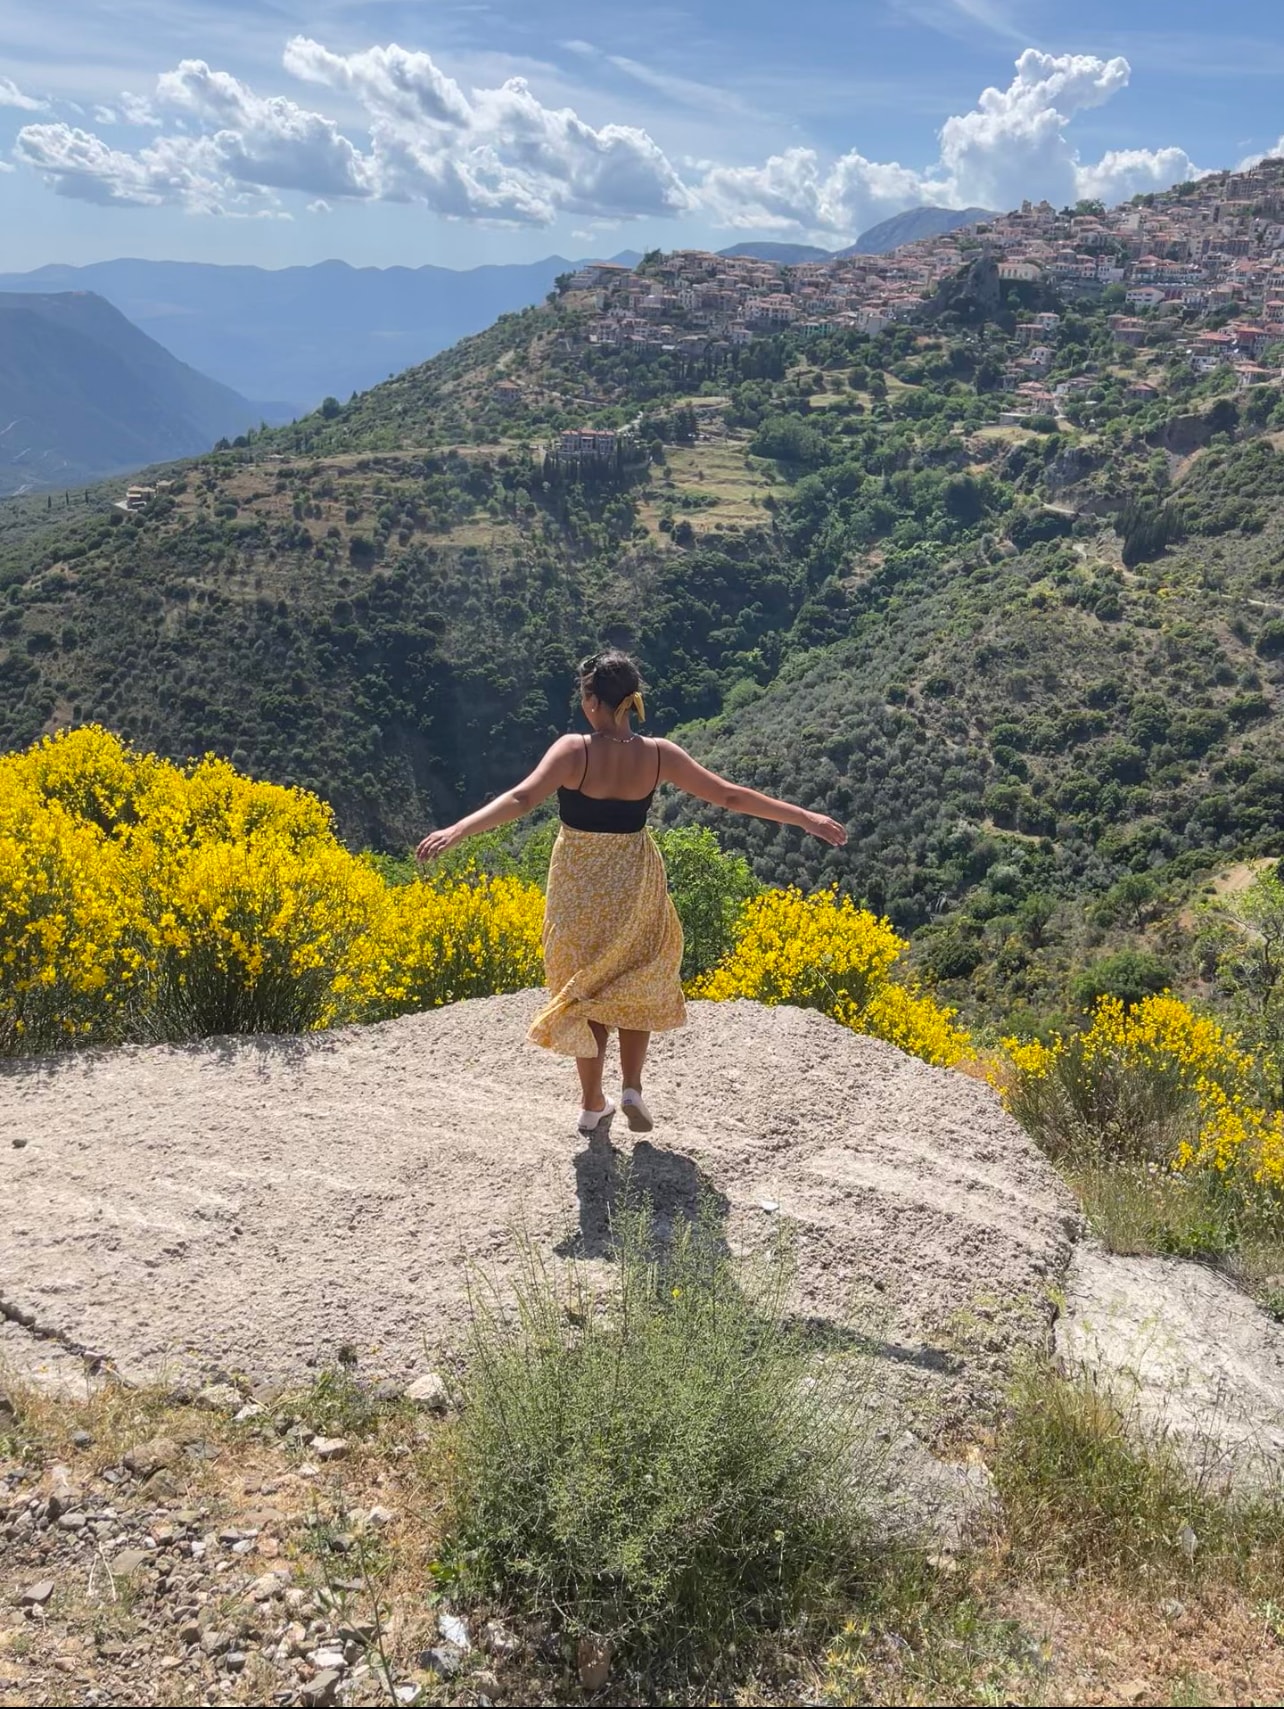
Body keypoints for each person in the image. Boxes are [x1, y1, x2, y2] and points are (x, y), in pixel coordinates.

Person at [416, 650, 846, 1136]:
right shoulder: (658, 754)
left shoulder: (573, 750)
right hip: (635, 878)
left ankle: (590, 1103)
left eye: (584, 696)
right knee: (636, 976)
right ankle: (632, 1088)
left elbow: (521, 798)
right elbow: (729, 795)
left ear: (594, 701)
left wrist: (458, 829)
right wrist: (804, 817)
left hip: (578, 885)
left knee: (585, 987)